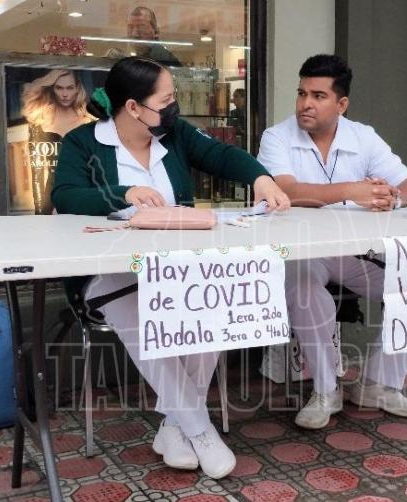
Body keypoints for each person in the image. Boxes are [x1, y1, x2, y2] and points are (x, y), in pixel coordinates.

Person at [52, 57, 290, 479]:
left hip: (176, 268)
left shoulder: (174, 135)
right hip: (108, 273)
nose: (174, 107)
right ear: (133, 107)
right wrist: (125, 194)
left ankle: (174, 425)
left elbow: (220, 154)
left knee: (214, 311)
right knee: (136, 311)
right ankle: (200, 429)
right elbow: (67, 195)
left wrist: (261, 178)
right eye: (166, 101)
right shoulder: (83, 143)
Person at [257, 54, 407, 430]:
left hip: (356, 253)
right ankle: (326, 389)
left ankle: (377, 385)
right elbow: (285, 191)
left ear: (341, 104)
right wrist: (353, 190)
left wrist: (391, 197)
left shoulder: (363, 136)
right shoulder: (277, 137)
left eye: (318, 96)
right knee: (302, 284)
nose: (306, 104)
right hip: (303, 252)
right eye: (302, 93)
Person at [21, 69, 94, 214]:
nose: (65, 94)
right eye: (59, 88)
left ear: (77, 89)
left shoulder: (89, 122)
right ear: (52, 89)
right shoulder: (38, 122)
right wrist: (40, 211)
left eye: (70, 88)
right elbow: (37, 172)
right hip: (48, 197)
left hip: (81, 195)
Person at [104, 6, 181, 67]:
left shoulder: (164, 59)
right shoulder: (124, 48)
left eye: (141, 27)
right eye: (130, 27)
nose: (135, 34)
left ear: (156, 32)